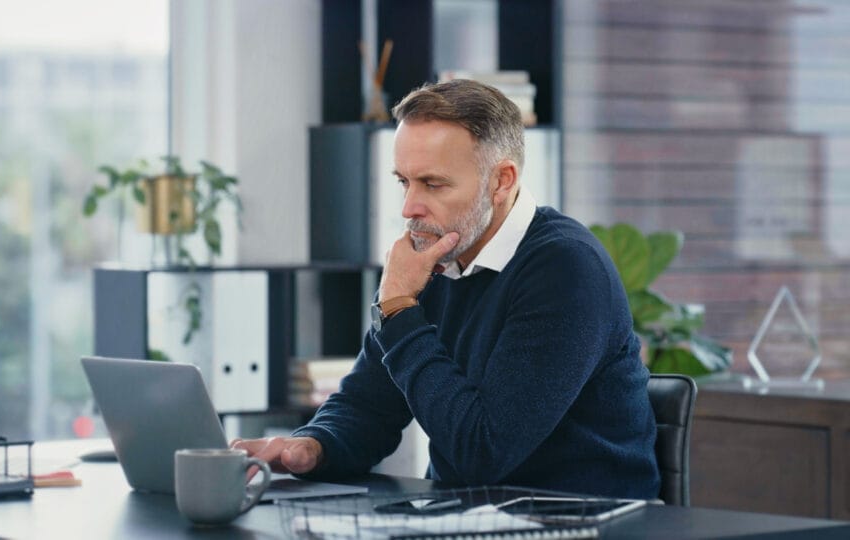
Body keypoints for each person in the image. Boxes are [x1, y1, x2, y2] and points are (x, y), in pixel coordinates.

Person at [232, 79, 660, 499]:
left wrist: (399, 310)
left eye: (433, 184)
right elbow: (368, 407)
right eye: (404, 181)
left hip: (579, 520)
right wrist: (311, 446)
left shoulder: (566, 269)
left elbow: (483, 452)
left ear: (502, 181)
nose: (409, 207)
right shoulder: (436, 257)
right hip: (466, 518)